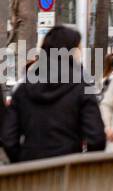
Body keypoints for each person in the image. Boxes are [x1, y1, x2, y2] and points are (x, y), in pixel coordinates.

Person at [2, 25, 106, 163]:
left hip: (31, 169)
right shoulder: (82, 88)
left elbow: (8, 137)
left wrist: (21, 160)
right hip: (70, 168)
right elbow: (96, 137)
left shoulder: (23, 89)